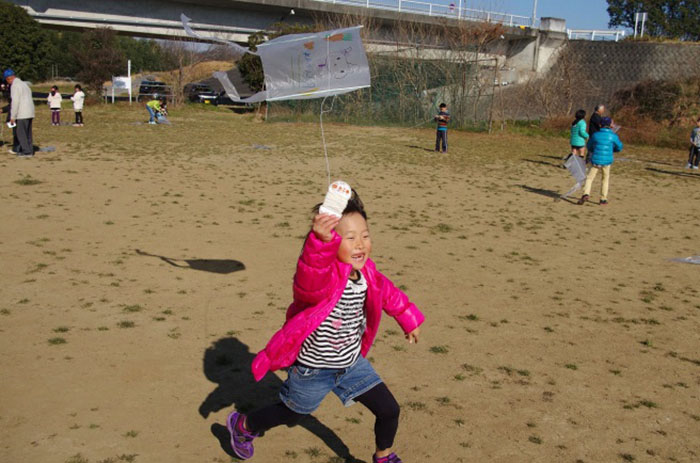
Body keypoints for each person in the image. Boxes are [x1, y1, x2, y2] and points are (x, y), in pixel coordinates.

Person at [227, 190, 424, 463]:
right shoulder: (323, 278)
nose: (360, 244)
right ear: (333, 241)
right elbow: (311, 274)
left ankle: (384, 456)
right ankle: (244, 425)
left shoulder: (368, 273)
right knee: (292, 414)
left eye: (365, 236)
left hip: (351, 364)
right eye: (350, 238)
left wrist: (408, 319)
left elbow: (390, 294)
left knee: (389, 410)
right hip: (313, 369)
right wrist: (319, 244)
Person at [578, 117, 623, 205]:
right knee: (605, 179)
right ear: (610, 125)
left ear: (600, 125)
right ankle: (603, 199)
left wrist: (594, 150)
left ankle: (585, 193)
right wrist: (612, 150)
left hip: (595, 160)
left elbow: (589, 145)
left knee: (590, 178)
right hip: (607, 161)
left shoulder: (595, 135)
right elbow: (619, 147)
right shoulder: (613, 136)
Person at [4, 69, 35, 157]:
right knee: (28, 133)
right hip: (30, 112)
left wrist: (13, 116)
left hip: (22, 113)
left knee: (20, 133)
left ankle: (26, 151)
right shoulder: (24, 84)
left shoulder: (15, 86)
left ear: (8, 79)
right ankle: (30, 150)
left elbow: (15, 102)